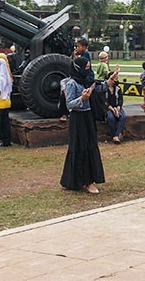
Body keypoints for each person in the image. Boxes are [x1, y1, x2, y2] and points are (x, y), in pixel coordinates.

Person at [60, 57, 105, 194]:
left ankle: (87, 179)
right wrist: (82, 99)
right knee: (80, 147)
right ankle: (85, 181)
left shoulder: (86, 81)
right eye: (86, 67)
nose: (88, 70)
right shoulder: (71, 83)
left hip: (88, 116)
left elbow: (98, 88)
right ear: (78, 68)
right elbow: (69, 104)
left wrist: (110, 81)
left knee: (90, 145)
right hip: (77, 118)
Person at [104, 69, 125, 144]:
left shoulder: (118, 88)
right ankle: (114, 135)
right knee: (110, 117)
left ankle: (117, 135)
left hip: (117, 107)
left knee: (122, 117)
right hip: (108, 107)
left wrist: (119, 106)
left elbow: (120, 99)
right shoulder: (105, 89)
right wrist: (110, 108)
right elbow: (104, 101)